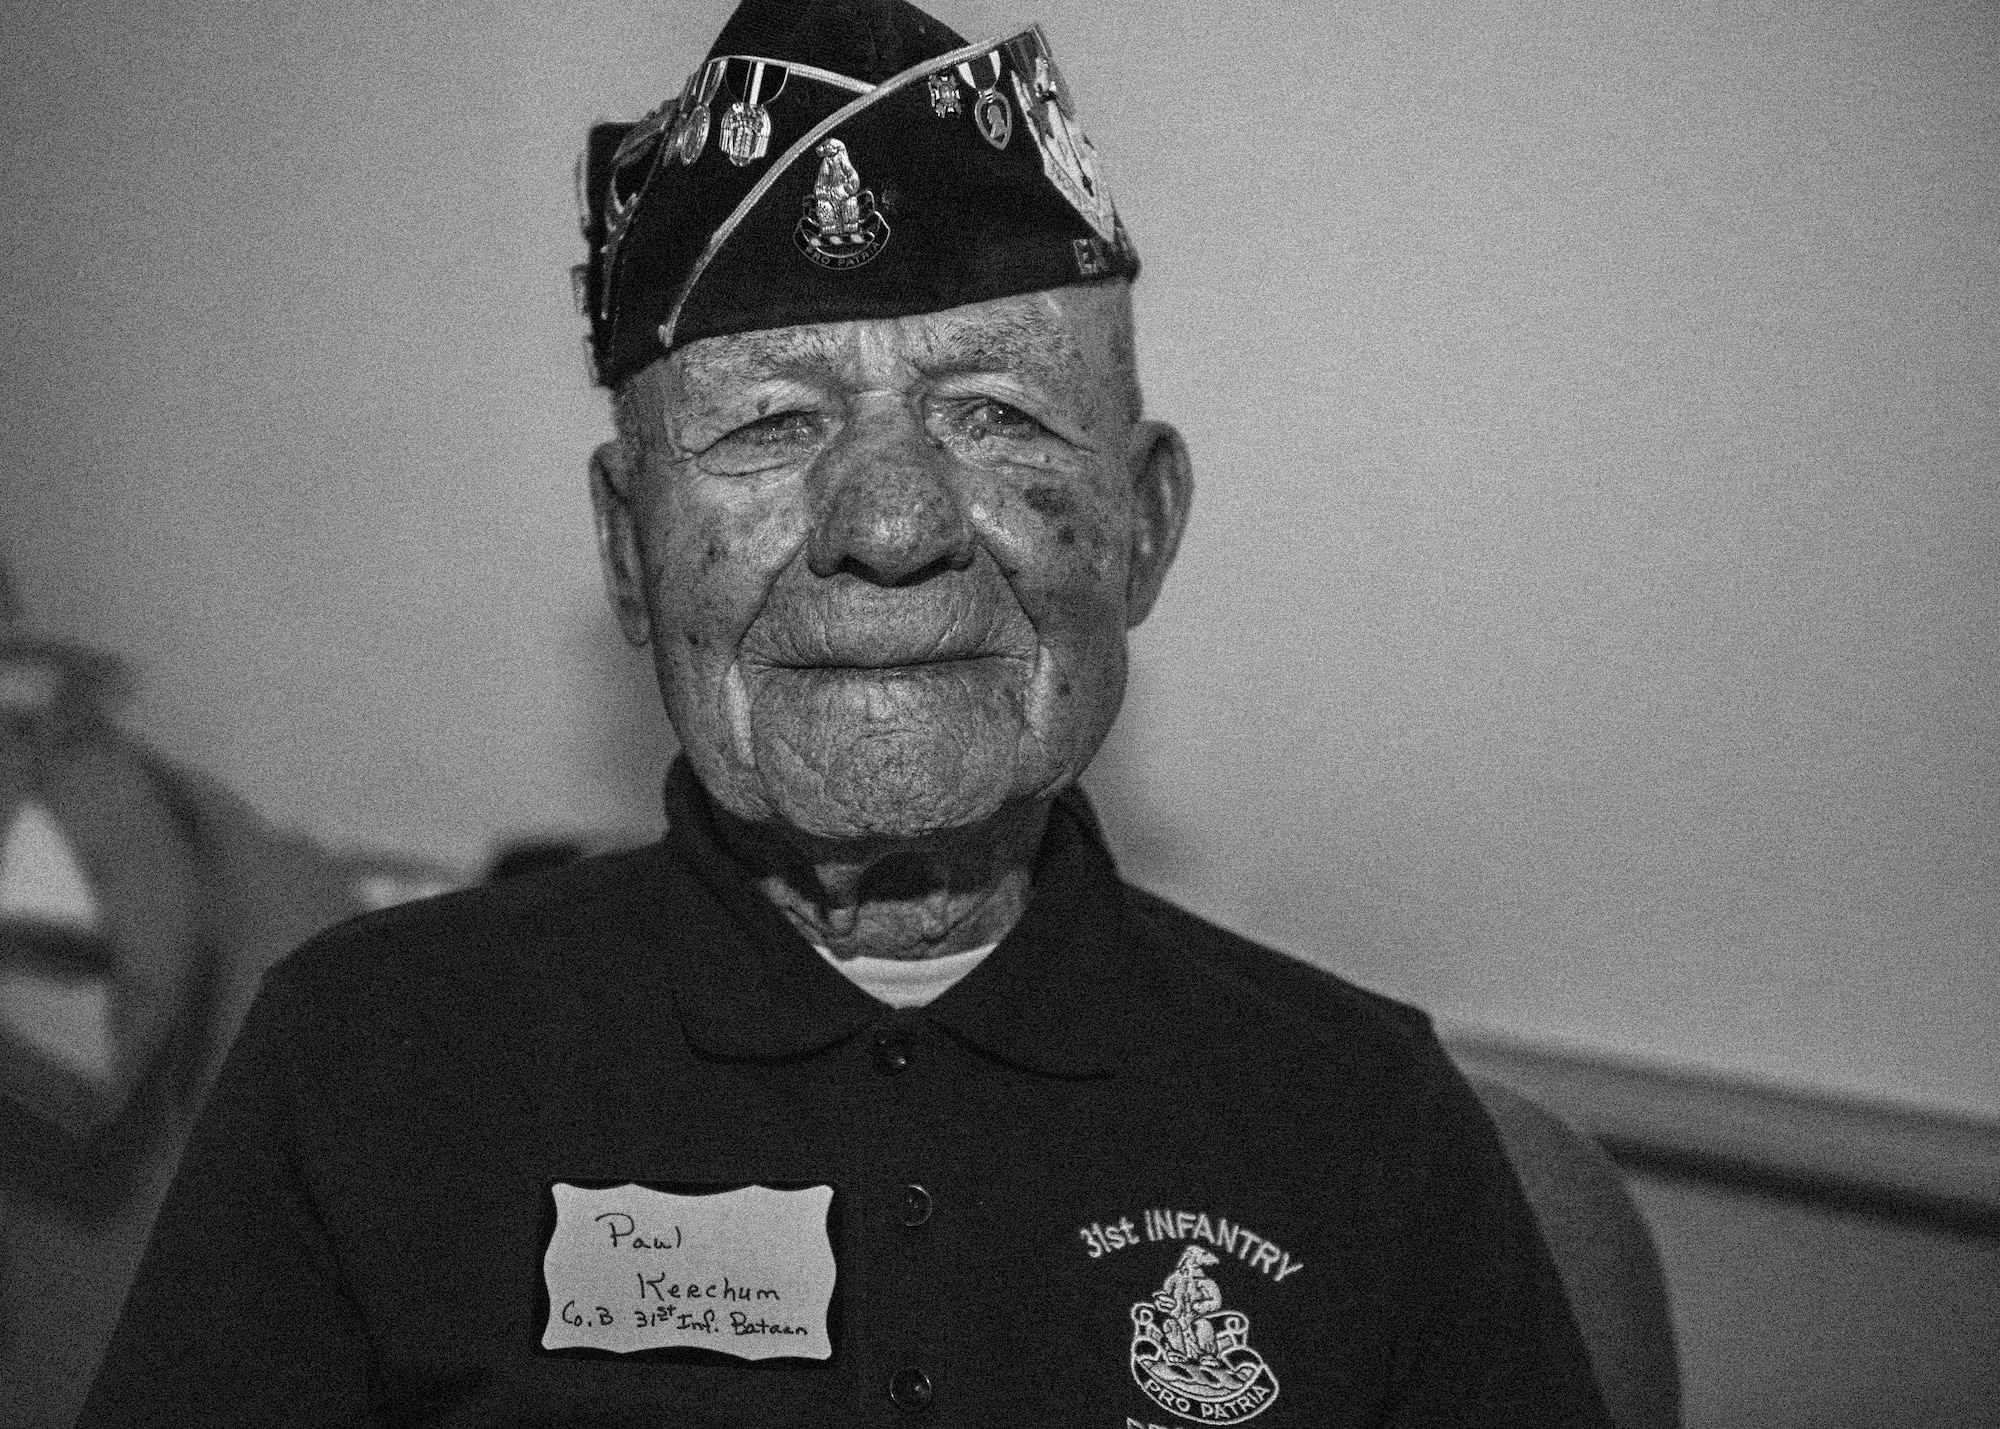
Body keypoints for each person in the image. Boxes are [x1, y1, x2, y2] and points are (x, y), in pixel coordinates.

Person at [78, 1, 1615, 1423]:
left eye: (996, 414)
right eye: (771, 423)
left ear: (1142, 528)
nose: (888, 522)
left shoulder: (1367, 1124)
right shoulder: (362, 1062)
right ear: (629, 549)